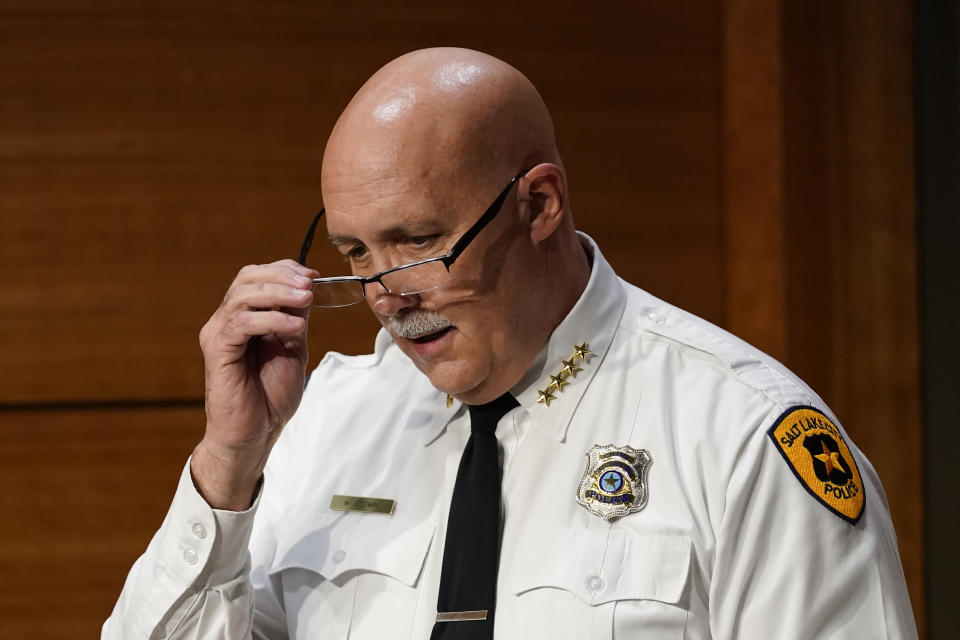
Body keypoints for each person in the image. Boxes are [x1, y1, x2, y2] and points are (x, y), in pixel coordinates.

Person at [103, 48, 917, 639]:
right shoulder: (325, 422)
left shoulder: (742, 436)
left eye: (418, 242)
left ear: (539, 204)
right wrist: (228, 464)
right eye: (355, 254)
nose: (386, 294)